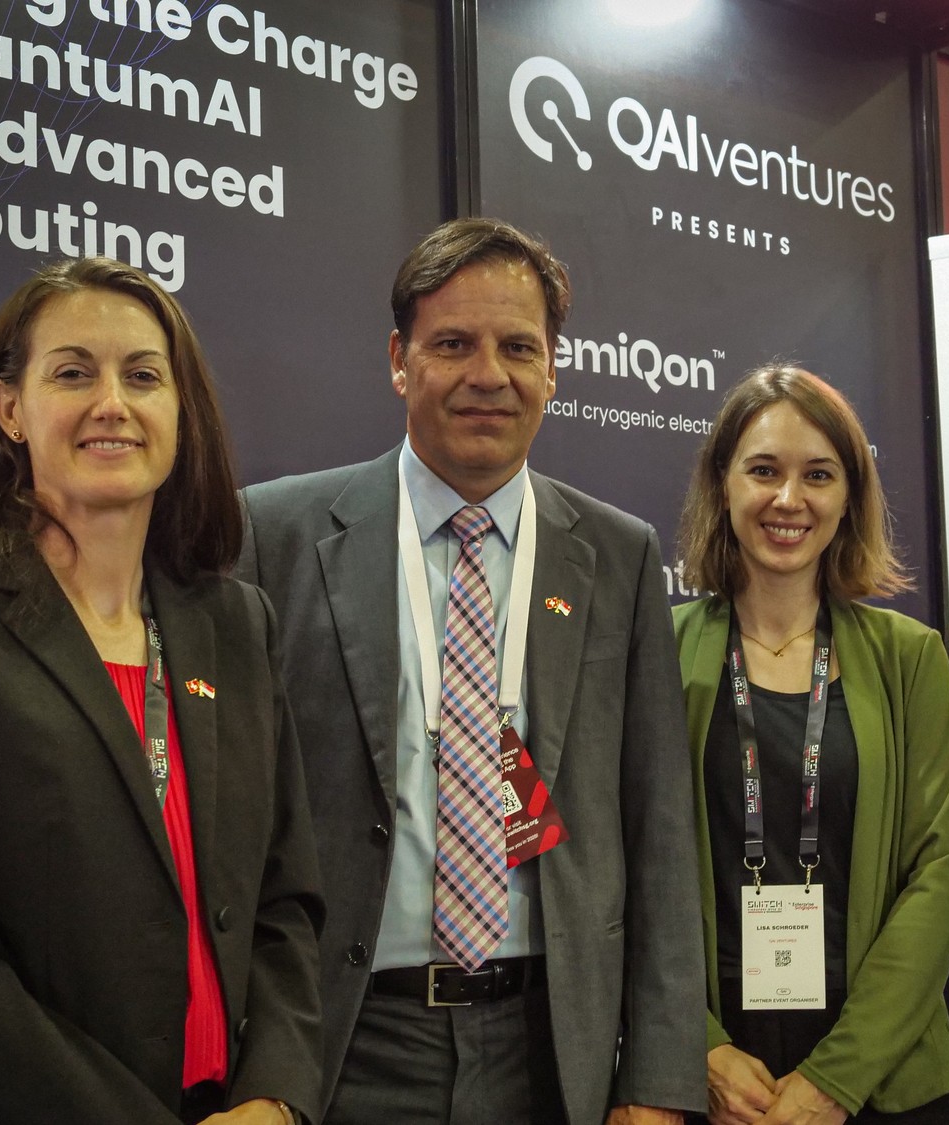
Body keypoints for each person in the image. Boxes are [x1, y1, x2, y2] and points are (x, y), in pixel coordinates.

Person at [0, 257, 324, 1125]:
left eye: (143, 375)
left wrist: (276, 1098)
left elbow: (283, 904)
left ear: (179, 408)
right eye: (72, 372)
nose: (113, 403)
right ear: (9, 408)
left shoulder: (235, 623)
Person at [237, 217, 706, 1125]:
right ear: (399, 360)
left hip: (547, 1048)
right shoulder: (279, 536)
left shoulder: (617, 553)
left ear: (552, 372)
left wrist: (656, 1082)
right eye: (453, 343)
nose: (488, 374)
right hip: (345, 1044)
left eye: (518, 347)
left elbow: (658, 832)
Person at [672, 366, 949, 1125]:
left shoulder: (910, 657)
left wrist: (835, 1080)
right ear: (723, 483)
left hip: (881, 1072)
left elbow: (941, 870)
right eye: (764, 470)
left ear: (849, 496)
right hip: (713, 1079)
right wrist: (699, 1046)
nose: (788, 499)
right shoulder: (658, 650)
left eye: (819, 474)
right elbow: (622, 872)